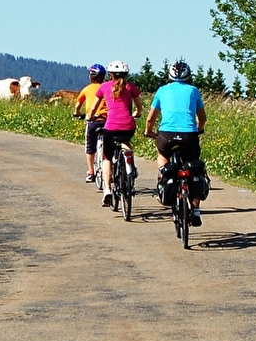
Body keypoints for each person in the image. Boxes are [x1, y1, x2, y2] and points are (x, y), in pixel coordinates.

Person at [144, 59, 207, 225]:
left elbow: (151, 118)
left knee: (162, 153)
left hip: (166, 134)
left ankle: (164, 176)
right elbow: (202, 117)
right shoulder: (194, 91)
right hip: (189, 135)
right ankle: (196, 210)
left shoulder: (162, 90)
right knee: (193, 167)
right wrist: (199, 128)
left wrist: (148, 131)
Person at [86, 60, 141, 208]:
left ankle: (107, 190)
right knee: (126, 143)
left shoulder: (104, 87)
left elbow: (93, 109)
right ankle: (130, 167)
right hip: (128, 126)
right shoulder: (131, 87)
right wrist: (136, 113)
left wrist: (90, 117)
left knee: (107, 157)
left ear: (110, 75)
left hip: (110, 127)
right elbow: (139, 108)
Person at [73, 63, 109, 182]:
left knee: (90, 147)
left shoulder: (87, 89)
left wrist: (77, 113)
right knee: (110, 147)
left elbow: (78, 105)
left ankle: (91, 172)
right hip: (107, 121)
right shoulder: (107, 87)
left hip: (93, 121)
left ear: (91, 76)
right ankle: (111, 171)